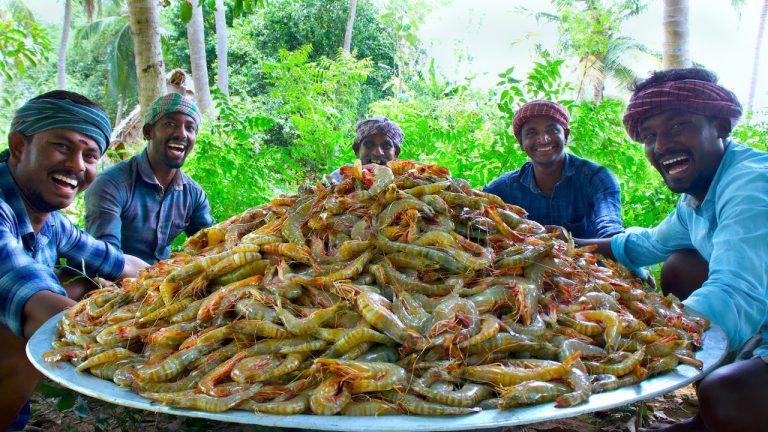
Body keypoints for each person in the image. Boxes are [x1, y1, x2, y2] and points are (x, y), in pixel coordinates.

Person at [577, 68, 768, 432]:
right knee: (681, 265)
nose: (661, 145)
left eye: (678, 126)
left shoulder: (750, 186)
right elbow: (647, 243)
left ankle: (718, 414)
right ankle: (706, 419)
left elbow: (735, 293)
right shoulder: (698, 198)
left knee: (726, 396)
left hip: (753, 309)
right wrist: (565, 244)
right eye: (650, 136)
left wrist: (638, 339)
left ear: (720, 127)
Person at [0, 91, 148, 430]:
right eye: (62, 147)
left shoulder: (49, 221)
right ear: (19, 146)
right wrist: (159, 344)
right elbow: (36, 304)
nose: (78, 165)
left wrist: (190, 278)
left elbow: (119, 263)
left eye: (90, 155)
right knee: (31, 331)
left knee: (87, 284)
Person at [85, 93, 214, 264]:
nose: (182, 134)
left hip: (163, 277)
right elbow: (105, 258)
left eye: (190, 128)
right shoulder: (111, 184)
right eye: (170, 124)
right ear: (148, 131)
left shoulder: (193, 194)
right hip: (114, 278)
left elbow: (211, 244)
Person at [483, 100, 624, 239]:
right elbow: (477, 214)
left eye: (552, 130)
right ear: (521, 143)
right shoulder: (503, 188)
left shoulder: (596, 179)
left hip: (590, 255)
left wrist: (564, 243)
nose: (543, 139)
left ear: (566, 136)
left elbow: (612, 237)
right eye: (532, 133)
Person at [327, 116, 404, 183]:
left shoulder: (404, 179)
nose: (377, 153)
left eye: (386, 146)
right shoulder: (340, 176)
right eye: (369, 144)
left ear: (395, 153)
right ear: (357, 150)